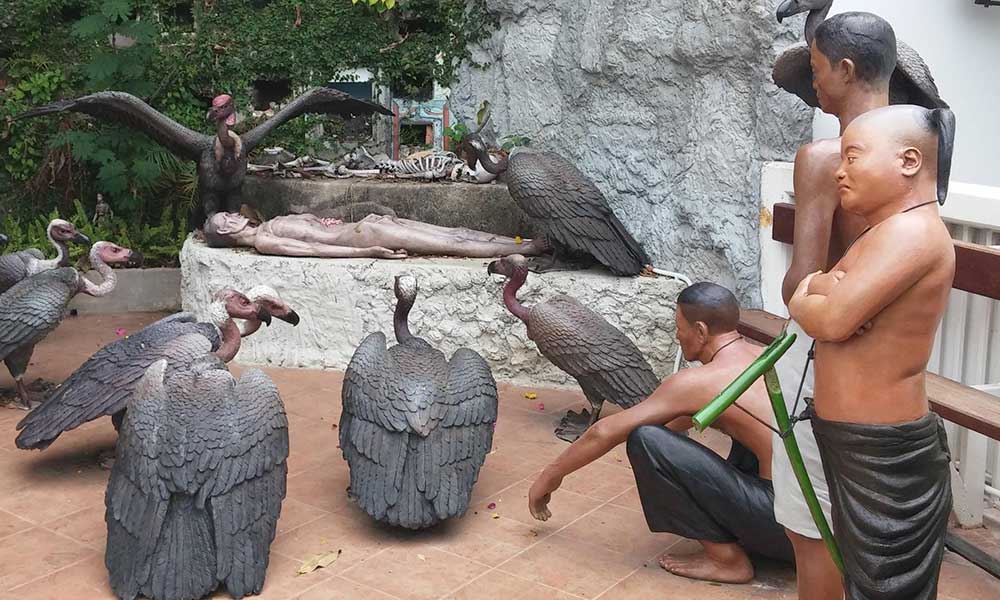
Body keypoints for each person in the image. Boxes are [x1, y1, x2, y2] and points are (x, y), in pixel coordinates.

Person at [789, 104, 956, 599]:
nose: (839, 171)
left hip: (886, 456)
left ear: (908, 162)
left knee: (884, 589)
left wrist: (808, 297)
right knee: (864, 580)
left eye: (853, 157)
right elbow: (828, 294)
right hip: (858, 444)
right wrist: (824, 290)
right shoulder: (884, 232)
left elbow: (831, 316)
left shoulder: (912, 233)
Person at [527, 282, 794, 584]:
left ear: (701, 331)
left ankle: (727, 561)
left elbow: (606, 432)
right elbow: (674, 424)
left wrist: (550, 476)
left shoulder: (697, 382)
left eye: (679, 327)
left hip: (785, 527)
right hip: (817, 524)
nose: (678, 336)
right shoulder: (768, 355)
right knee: (712, 440)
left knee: (646, 440)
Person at [773, 12, 899, 600]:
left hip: (825, 354)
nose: (815, 85)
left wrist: (814, 292)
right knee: (870, 523)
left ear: (846, 71)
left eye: (820, 71)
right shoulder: (915, 150)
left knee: (813, 526)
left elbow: (800, 285)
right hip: (895, 362)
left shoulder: (827, 158)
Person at [201, 211, 546, 259]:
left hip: (364, 224)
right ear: (226, 231)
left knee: (456, 231)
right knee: (450, 243)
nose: (232, 215)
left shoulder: (267, 225)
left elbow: (315, 226)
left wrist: (323, 220)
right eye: (225, 218)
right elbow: (317, 252)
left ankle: (515, 240)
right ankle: (530, 248)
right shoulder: (264, 241)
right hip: (364, 236)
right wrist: (368, 252)